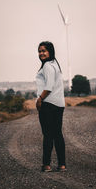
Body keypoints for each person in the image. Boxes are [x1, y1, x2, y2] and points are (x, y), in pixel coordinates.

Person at [36, 41, 66, 172]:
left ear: (50, 51)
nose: (41, 53)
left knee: (48, 135)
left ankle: (46, 165)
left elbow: (48, 87)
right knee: (57, 134)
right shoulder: (55, 65)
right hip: (59, 104)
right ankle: (62, 164)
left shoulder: (47, 66)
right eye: (40, 51)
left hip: (48, 104)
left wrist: (40, 99)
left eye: (44, 50)